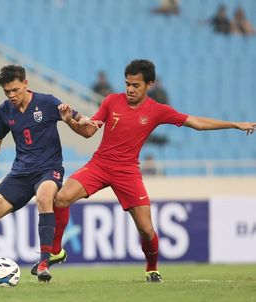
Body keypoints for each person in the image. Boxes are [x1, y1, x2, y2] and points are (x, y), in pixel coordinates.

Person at [54, 59, 256, 282]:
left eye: (136, 85)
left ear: (149, 84)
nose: (130, 89)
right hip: (99, 165)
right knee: (61, 198)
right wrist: (70, 122)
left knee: (147, 230)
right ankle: (55, 252)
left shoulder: (157, 111)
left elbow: (196, 122)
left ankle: (152, 268)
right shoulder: (111, 101)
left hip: (127, 172)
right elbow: (88, 132)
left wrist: (235, 124)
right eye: (127, 84)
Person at [0, 65, 84, 286]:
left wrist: (72, 120)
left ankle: (44, 263)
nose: (12, 95)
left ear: (26, 83)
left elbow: (84, 123)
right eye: (7, 92)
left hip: (48, 169)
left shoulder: (47, 102)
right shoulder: (5, 111)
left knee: (45, 198)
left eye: (15, 90)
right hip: (20, 174)